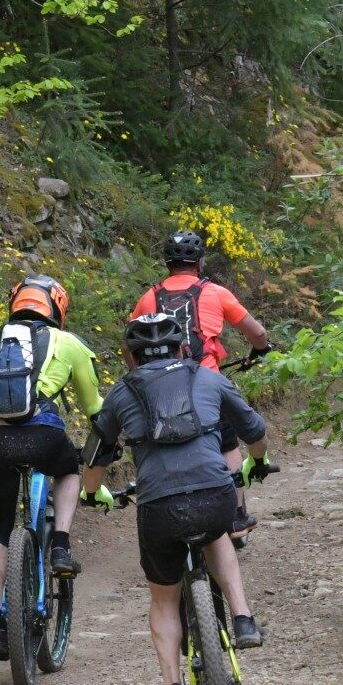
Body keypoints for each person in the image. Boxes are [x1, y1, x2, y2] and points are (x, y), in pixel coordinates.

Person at [81, 312, 277, 685]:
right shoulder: (208, 379)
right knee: (219, 532)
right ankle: (242, 618)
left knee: (165, 599)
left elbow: (95, 456)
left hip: (158, 507)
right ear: (182, 347)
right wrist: (257, 462)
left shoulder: (122, 392)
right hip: (212, 494)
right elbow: (254, 430)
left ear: (131, 357)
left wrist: (91, 492)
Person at [0, 273, 103, 662]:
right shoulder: (69, 344)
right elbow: (94, 409)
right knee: (69, 470)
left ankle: (0, 626)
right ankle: (62, 547)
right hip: (45, 438)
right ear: (58, 308)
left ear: (14, 303)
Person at [129, 230, 272, 542]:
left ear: (167, 263)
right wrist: (260, 349)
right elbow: (258, 334)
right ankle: (235, 518)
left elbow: (129, 341)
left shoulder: (149, 297)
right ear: (200, 262)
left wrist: (139, 373)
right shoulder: (216, 293)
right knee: (228, 443)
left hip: (160, 386)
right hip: (205, 382)